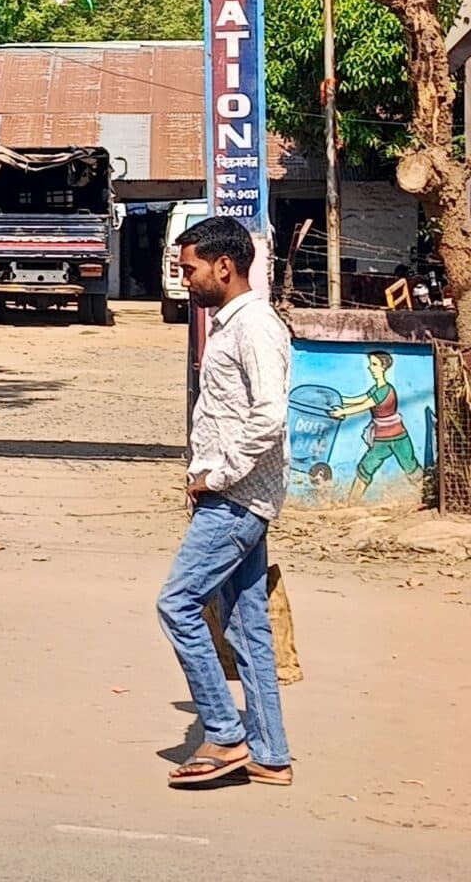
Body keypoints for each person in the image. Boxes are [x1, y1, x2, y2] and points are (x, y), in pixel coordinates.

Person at [159, 215, 292, 788]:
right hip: (240, 497)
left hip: (235, 500)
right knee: (247, 627)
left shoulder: (254, 326)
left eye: (189, 269)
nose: (184, 278)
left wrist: (218, 475)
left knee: (177, 605)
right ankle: (270, 753)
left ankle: (224, 733)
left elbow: (270, 415)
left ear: (224, 266)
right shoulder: (230, 324)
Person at [331, 349, 422, 501]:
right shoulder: (376, 389)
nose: (370, 368)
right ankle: (352, 503)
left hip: (398, 438)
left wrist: (343, 412)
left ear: (383, 367)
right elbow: (359, 399)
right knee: (365, 468)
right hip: (382, 439)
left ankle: (427, 495)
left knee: (410, 467)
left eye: (374, 364)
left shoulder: (385, 390)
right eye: (370, 364)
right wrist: (336, 398)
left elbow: (365, 405)